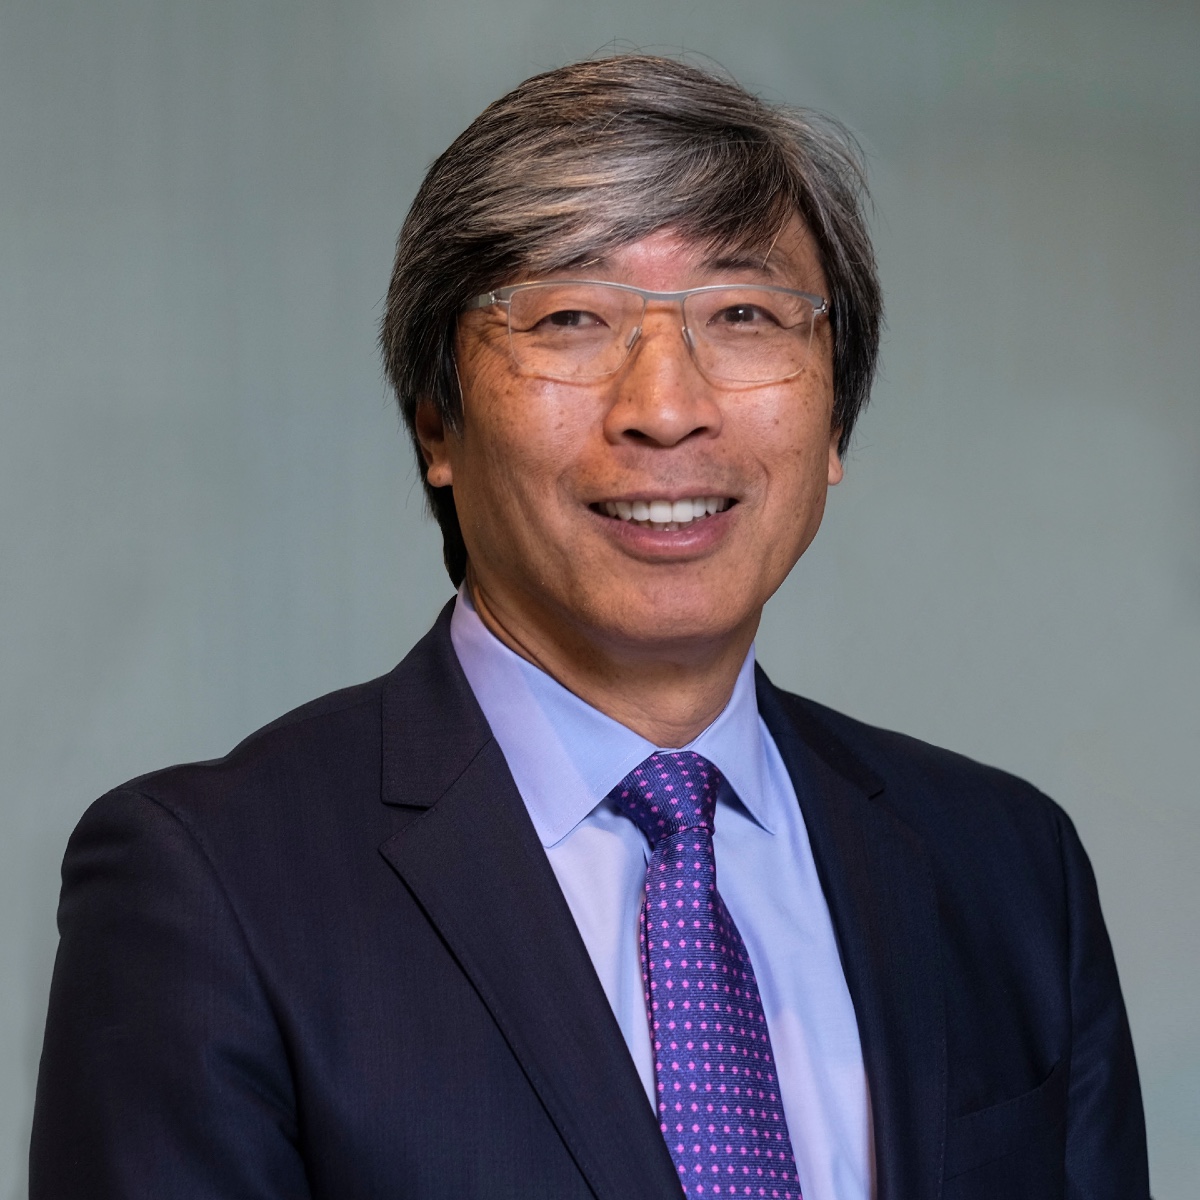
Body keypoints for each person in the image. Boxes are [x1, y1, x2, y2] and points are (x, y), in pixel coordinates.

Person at [30, 55, 1148, 1200]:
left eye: (745, 315)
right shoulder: (212, 886)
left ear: (832, 426)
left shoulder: (1008, 869)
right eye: (571, 318)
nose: (665, 410)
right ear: (437, 425)